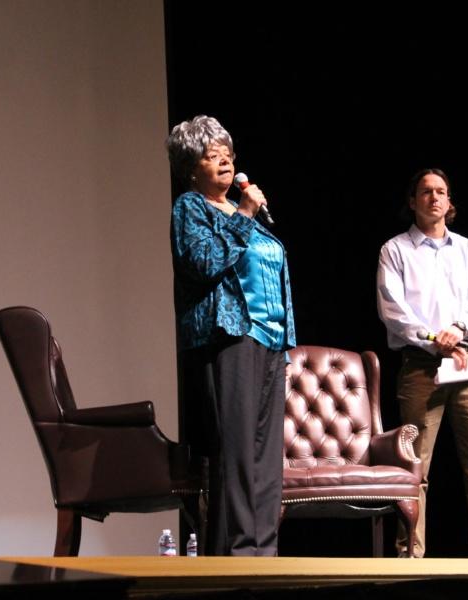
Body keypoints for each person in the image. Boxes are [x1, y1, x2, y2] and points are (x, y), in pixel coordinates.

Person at [166, 115, 296, 556]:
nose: (222, 159)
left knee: (266, 460)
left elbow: (273, 272)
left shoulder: (252, 220)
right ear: (191, 168)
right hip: (229, 337)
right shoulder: (191, 208)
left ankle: (265, 552)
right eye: (210, 154)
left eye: (226, 152)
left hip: (270, 338)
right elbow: (202, 262)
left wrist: (287, 341)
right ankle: (240, 553)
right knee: (238, 454)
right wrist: (243, 214)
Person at [376, 168, 468, 559]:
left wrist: (457, 329)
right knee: (415, 466)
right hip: (421, 366)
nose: (434, 198)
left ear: (450, 203)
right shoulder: (395, 250)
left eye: (442, 192)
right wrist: (436, 340)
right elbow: (393, 310)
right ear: (412, 201)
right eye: (426, 192)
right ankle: (410, 552)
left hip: (466, 362)